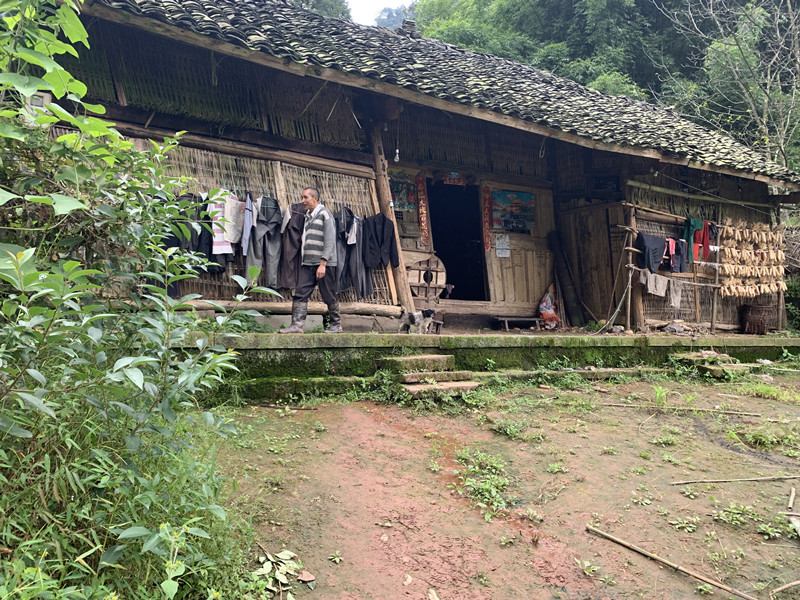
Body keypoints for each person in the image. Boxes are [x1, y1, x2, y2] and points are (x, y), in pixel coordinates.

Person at [279, 187, 341, 333]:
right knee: (300, 293)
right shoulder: (307, 216)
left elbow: (330, 241)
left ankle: (336, 325)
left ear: (315, 198)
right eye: (302, 197)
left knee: (329, 295)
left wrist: (323, 263)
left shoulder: (325, 214)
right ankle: (296, 326)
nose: (302, 201)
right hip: (308, 263)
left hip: (324, 264)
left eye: (305, 197)